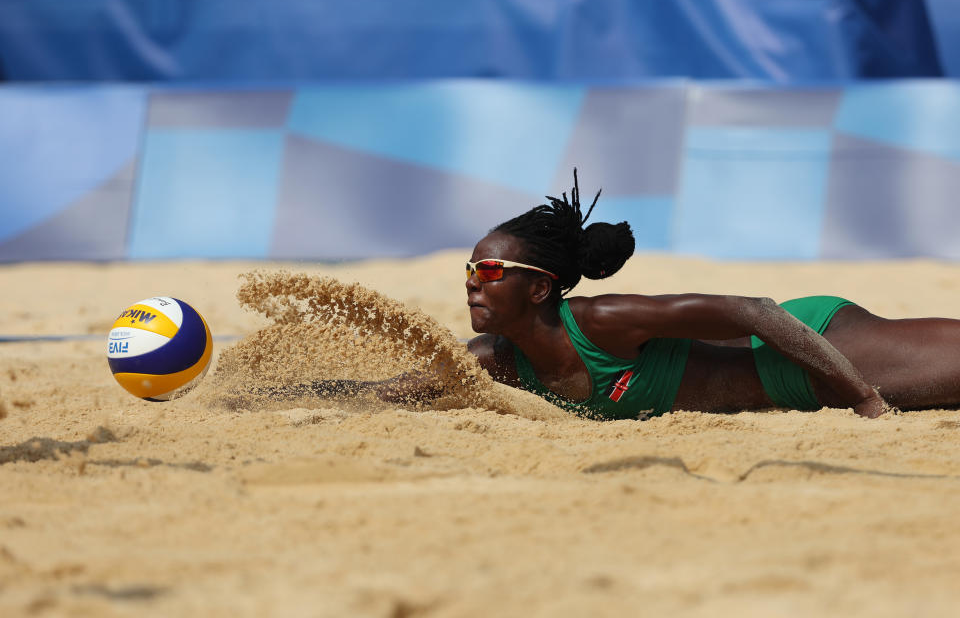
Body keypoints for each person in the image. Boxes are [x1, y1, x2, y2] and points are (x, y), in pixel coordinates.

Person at [299, 172, 960, 420]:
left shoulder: (603, 321)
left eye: (491, 270)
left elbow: (752, 311)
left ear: (540, 288)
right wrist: (288, 394)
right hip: (795, 394)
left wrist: (864, 397)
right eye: (470, 271)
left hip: (815, 352)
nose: (474, 281)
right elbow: (393, 389)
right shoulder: (498, 361)